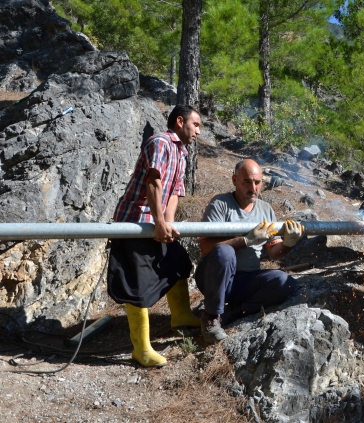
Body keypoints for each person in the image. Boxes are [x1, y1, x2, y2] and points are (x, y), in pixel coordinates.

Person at [107, 105, 202, 367]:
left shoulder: (181, 153)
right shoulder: (160, 141)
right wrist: (159, 222)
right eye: (196, 125)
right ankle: (141, 349)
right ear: (180, 122)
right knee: (137, 281)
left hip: (157, 223)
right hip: (136, 221)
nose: (198, 131)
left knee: (178, 262)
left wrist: (167, 226)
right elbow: (154, 182)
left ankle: (181, 317)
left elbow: (173, 192)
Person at [195, 159, 302, 344]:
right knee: (225, 253)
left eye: (257, 182)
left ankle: (231, 314)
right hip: (216, 278)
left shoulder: (265, 209)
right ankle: (211, 317)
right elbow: (206, 246)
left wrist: (289, 243)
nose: (253, 187)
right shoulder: (220, 204)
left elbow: (274, 253)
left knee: (285, 282)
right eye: (247, 182)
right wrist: (246, 240)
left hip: (247, 281)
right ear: (234, 180)